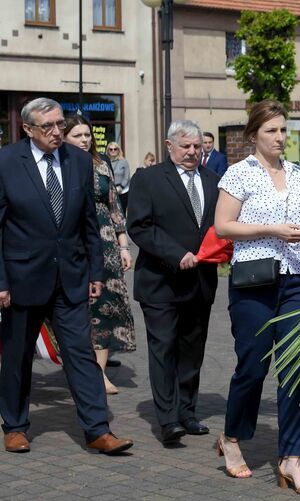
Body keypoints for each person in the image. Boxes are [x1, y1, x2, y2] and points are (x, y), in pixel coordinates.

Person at [0, 97, 133, 455]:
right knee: (17, 356)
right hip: (21, 278)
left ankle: (97, 429)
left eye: (61, 124)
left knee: (80, 353)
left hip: (71, 277)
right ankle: (14, 425)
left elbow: (89, 221)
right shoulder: (7, 161)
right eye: (49, 127)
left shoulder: (77, 160)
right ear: (28, 129)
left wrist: (95, 270)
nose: (58, 132)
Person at [213, 100, 300, 490]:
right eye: (271, 131)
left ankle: (292, 457)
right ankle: (230, 438)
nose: (280, 137)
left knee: (297, 368)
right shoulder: (238, 174)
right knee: (253, 367)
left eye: (283, 130)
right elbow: (223, 227)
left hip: (295, 278)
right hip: (253, 280)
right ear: (253, 136)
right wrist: (271, 229)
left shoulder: (297, 176)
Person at [128, 120, 220, 445]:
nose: (193, 152)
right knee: (163, 347)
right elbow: (139, 226)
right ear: (169, 146)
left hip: (201, 282)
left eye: (197, 146)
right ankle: (168, 420)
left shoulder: (213, 180)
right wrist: (175, 253)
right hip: (161, 282)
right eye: (186, 146)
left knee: (191, 350)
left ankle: (187, 412)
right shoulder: (148, 179)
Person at [63, 115, 137, 395]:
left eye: (87, 135)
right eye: (77, 135)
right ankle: (77, 368)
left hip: (106, 245)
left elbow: (115, 206)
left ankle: (99, 373)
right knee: (75, 308)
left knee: (105, 307)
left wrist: (123, 245)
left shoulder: (101, 164)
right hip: (74, 242)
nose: (84, 140)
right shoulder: (62, 166)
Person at [106, 140, 130, 212]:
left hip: (122, 191)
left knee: (121, 212)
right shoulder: (105, 162)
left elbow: (127, 177)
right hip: (110, 191)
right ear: (108, 151)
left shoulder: (124, 161)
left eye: (115, 149)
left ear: (118, 150)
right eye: (111, 149)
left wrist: (121, 187)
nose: (113, 151)